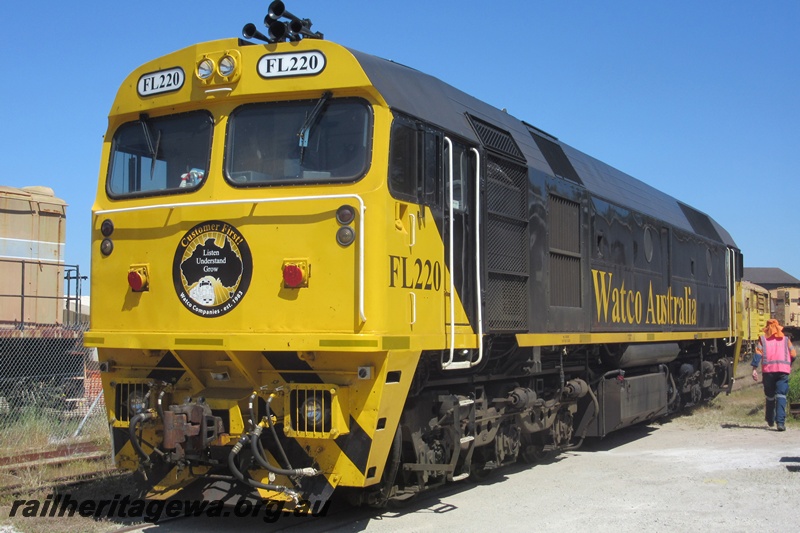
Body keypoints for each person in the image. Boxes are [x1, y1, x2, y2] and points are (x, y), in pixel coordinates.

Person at [751, 319, 796, 431]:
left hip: (768, 372)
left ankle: (770, 419)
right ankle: (780, 423)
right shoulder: (786, 340)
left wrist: (754, 369)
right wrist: (789, 363)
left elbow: (757, 354)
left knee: (770, 396)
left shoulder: (763, 340)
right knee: (781, 395)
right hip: (783, 372)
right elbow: (793, 354)